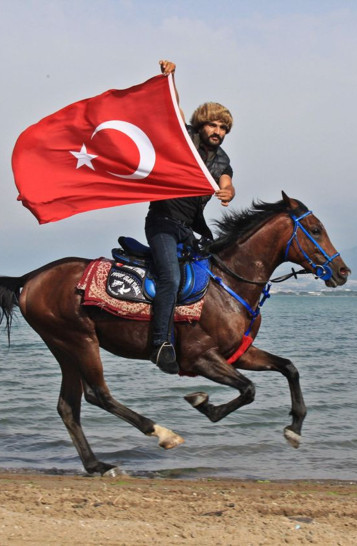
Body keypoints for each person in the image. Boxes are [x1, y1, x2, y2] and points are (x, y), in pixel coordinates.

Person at [146, 59, 235, 374]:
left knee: (213, 279)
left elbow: (227, 181)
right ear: (201, 124)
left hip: (189, 229)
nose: (218, 131)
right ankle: (160, 343)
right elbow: (173, 109)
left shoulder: (222, 159)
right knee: (170, 278)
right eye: (213, 125)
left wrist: (228, 192)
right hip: (162, 223)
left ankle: (201, 339)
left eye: (223, 128)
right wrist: (170, 78)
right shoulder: (186, 138)